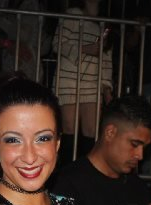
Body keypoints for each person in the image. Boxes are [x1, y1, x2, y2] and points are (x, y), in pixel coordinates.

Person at [51, 95, 151, 205]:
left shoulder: (139, 189)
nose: (140, 155)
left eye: (144, 148)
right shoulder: (66, 185)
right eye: (134, 144)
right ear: (110, 133)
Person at [53, 0, 113, 154]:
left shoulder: (103, 21)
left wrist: (106, 87)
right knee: (69, 130)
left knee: (91, 132)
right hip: (68, 80)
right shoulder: (73, 14)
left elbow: (106, 57)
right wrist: (86, 49)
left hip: (92, 82)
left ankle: (84, 168)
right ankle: (67, 168)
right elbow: (58, 44)